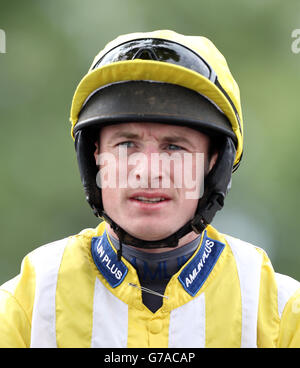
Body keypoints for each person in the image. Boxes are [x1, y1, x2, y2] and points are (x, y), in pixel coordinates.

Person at [0, 30, 299, 349]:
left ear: (213, 162)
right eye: (126, 144)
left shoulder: (283, 312)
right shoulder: (25, 305)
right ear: (96, 156)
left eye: (174, 147)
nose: (148, 171)